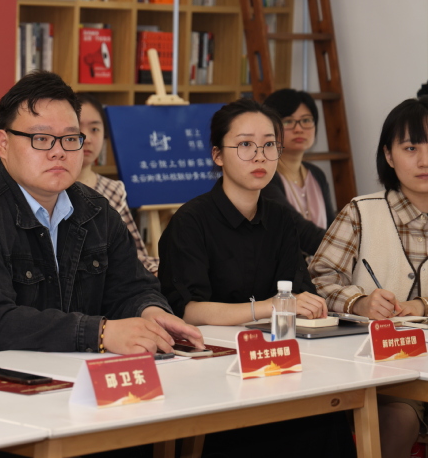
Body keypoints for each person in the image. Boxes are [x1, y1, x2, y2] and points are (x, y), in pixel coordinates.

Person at [0, 71, 203, 363]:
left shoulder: (96, 211)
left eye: (70, 138)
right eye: (41, 139)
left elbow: (132, 288)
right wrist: (99, 333)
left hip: (57, 374)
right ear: (3, 144)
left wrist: (150, 312)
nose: (58, 152)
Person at [158, 99, 351, 458]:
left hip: (275, 359)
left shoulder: (281, 219)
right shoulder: (190, 221)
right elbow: (189, 311)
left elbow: (297, 293)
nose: (260, 156)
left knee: (328, 412)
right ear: (218, 155)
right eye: (245, 144)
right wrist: (269, 307)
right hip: (213, 368)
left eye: (269, 145)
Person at [311, 97, 428, 458]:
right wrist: (359, 302)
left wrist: (422, 305)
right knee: (399, 419)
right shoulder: (361, 213)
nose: (424, 160)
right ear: (389, 156)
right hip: (377, 369)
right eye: (411, 148)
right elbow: (317, 282)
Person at [76, 93, 158, 273]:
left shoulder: (113, 190)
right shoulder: (49, 189)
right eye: (77, 128)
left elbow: (135, 255)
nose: (87, 138)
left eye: (95, 129)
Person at [261, 89, 335, 255]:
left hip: (321, 267)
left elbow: (332, 228)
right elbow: (295, 230)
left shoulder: (316, 174)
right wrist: (344, 247)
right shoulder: (264, 175)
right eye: (288, 121)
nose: (299, 129)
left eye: (306, 120)